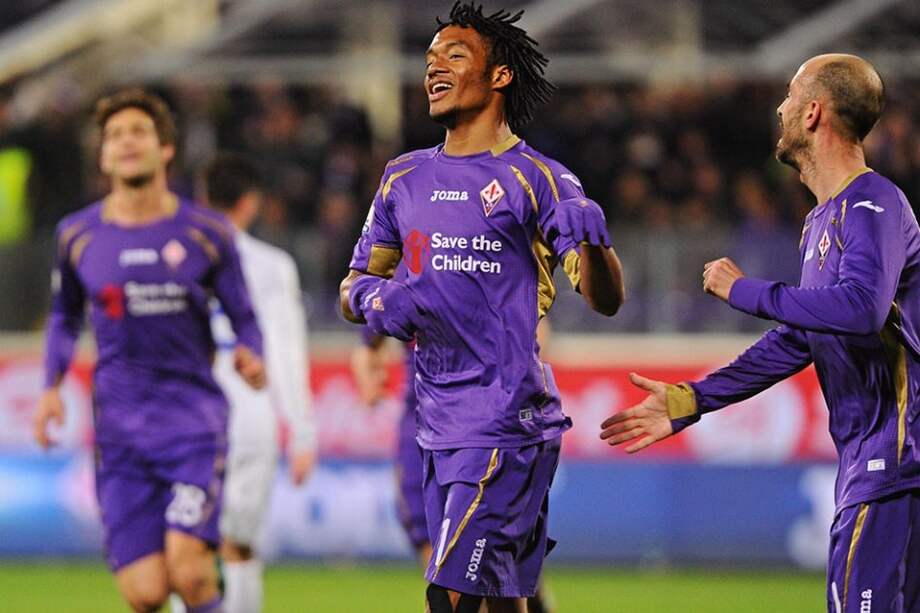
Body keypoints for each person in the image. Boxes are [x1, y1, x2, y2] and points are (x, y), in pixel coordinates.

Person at [600, 54, 920, 613]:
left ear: (815, 112)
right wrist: (694, 397)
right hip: (874, 467)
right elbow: (800, 337)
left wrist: (744, 291)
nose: (781, 106)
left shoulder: (873, 204)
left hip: (894, 464)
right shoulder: (822, 221)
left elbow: (861, 308)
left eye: (792, 94)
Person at [340, 3, 626, 611]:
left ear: (499, 77)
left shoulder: (540, 180)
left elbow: (604, 300)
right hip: (434, 423)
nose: (433, 69)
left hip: (506, 424)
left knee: (451, 599)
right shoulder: (402, 179)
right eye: (429, 59)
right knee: (501, 601)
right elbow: (355, 285)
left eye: (454, 55)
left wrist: (596, 246)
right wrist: (374, 301)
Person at [33, 89, 265, 613]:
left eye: (138, 131)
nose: (125, 142)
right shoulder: (77, 235)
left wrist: (251, 353)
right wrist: (50, 387)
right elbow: (63, 316)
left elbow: (244, 314)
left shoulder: (206, 233)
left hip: (192, 428)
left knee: (189, 571)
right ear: (103, 155)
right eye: (114, 135)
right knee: (145, 593)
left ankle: (212, 582)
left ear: (165, 148)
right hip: (119, 435)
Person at [204, 153, 317, 613]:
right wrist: (303, 430)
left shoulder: (176, 255)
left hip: (188, 411)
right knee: (239, 545)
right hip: (250, 414)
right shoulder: (272, 266)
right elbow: (287, 351)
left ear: (202, 196)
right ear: (250, 203)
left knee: (189, 543)